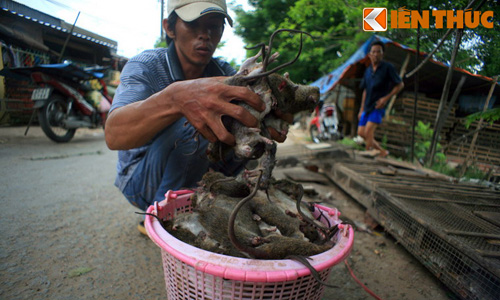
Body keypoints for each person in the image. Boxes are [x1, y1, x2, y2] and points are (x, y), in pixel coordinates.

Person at [104, 0, 290, 234]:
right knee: (195, 113)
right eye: (193, 25)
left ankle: (209, 202)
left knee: (248, 130)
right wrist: (176, 97)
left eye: (214, 26)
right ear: (169, 28)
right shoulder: (146, 66)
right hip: (142, 182)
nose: (205, 34)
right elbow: (114, 135)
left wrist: (273, 113)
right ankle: (165, 214)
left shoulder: (224, 72)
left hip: (200, 171)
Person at [357, 40, 404, 157]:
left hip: (378, 106)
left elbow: (400, 84)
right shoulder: (368, 71)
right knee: (361, 133)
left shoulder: (388, 68)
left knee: (368, 132)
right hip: (367, 106)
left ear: (382, 54)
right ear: (369, 55)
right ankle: (382, 151)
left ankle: (368, 155)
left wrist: (385, 99)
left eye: (379, 52)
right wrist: (361, 108)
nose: (376, 54)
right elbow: (365, 90)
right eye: (373, 52)